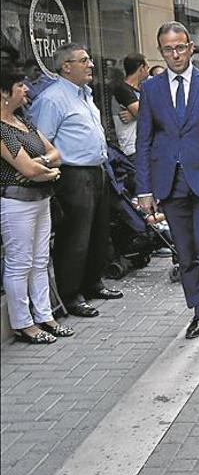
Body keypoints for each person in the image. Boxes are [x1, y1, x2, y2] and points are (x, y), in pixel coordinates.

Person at [135, 21, 199, 346]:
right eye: (167, 49)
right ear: (160, 51)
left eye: (180, 47)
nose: (175, 54)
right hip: (169, 183)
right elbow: (143, 140)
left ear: (190, 48)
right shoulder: (151, 89)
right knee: (185, 254)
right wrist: (144, 189)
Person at [30, 43, 123, 318]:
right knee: (76, 237)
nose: (91, 65)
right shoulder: (53, 99)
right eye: (84, 61)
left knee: (97, 232)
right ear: (66, 66)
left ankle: (93, 283)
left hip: (97, 171)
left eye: (89, 60)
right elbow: (41, 142)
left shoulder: (85, 94)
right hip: (72, 175)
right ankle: (71, 294)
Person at [1, 63, 73, 343]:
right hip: (15, 202)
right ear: (4, 93)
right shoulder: (2, 128)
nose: (26, 89)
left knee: (41, 260)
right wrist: (44, 169)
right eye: (20, 86)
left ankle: (45, 316)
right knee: (19, 262)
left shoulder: (24, 122)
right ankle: (23, 323)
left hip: (40, 198)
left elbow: (55, 153)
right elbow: (26, 170)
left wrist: (42, 164)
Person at [111, 52, 149, 159]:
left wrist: (134, 116)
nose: (148, 72)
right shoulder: (123, 89)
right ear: (141, 68)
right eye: (147, 67)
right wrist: (138, 115)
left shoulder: (142, 88)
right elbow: (144, 114)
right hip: (132, 148)